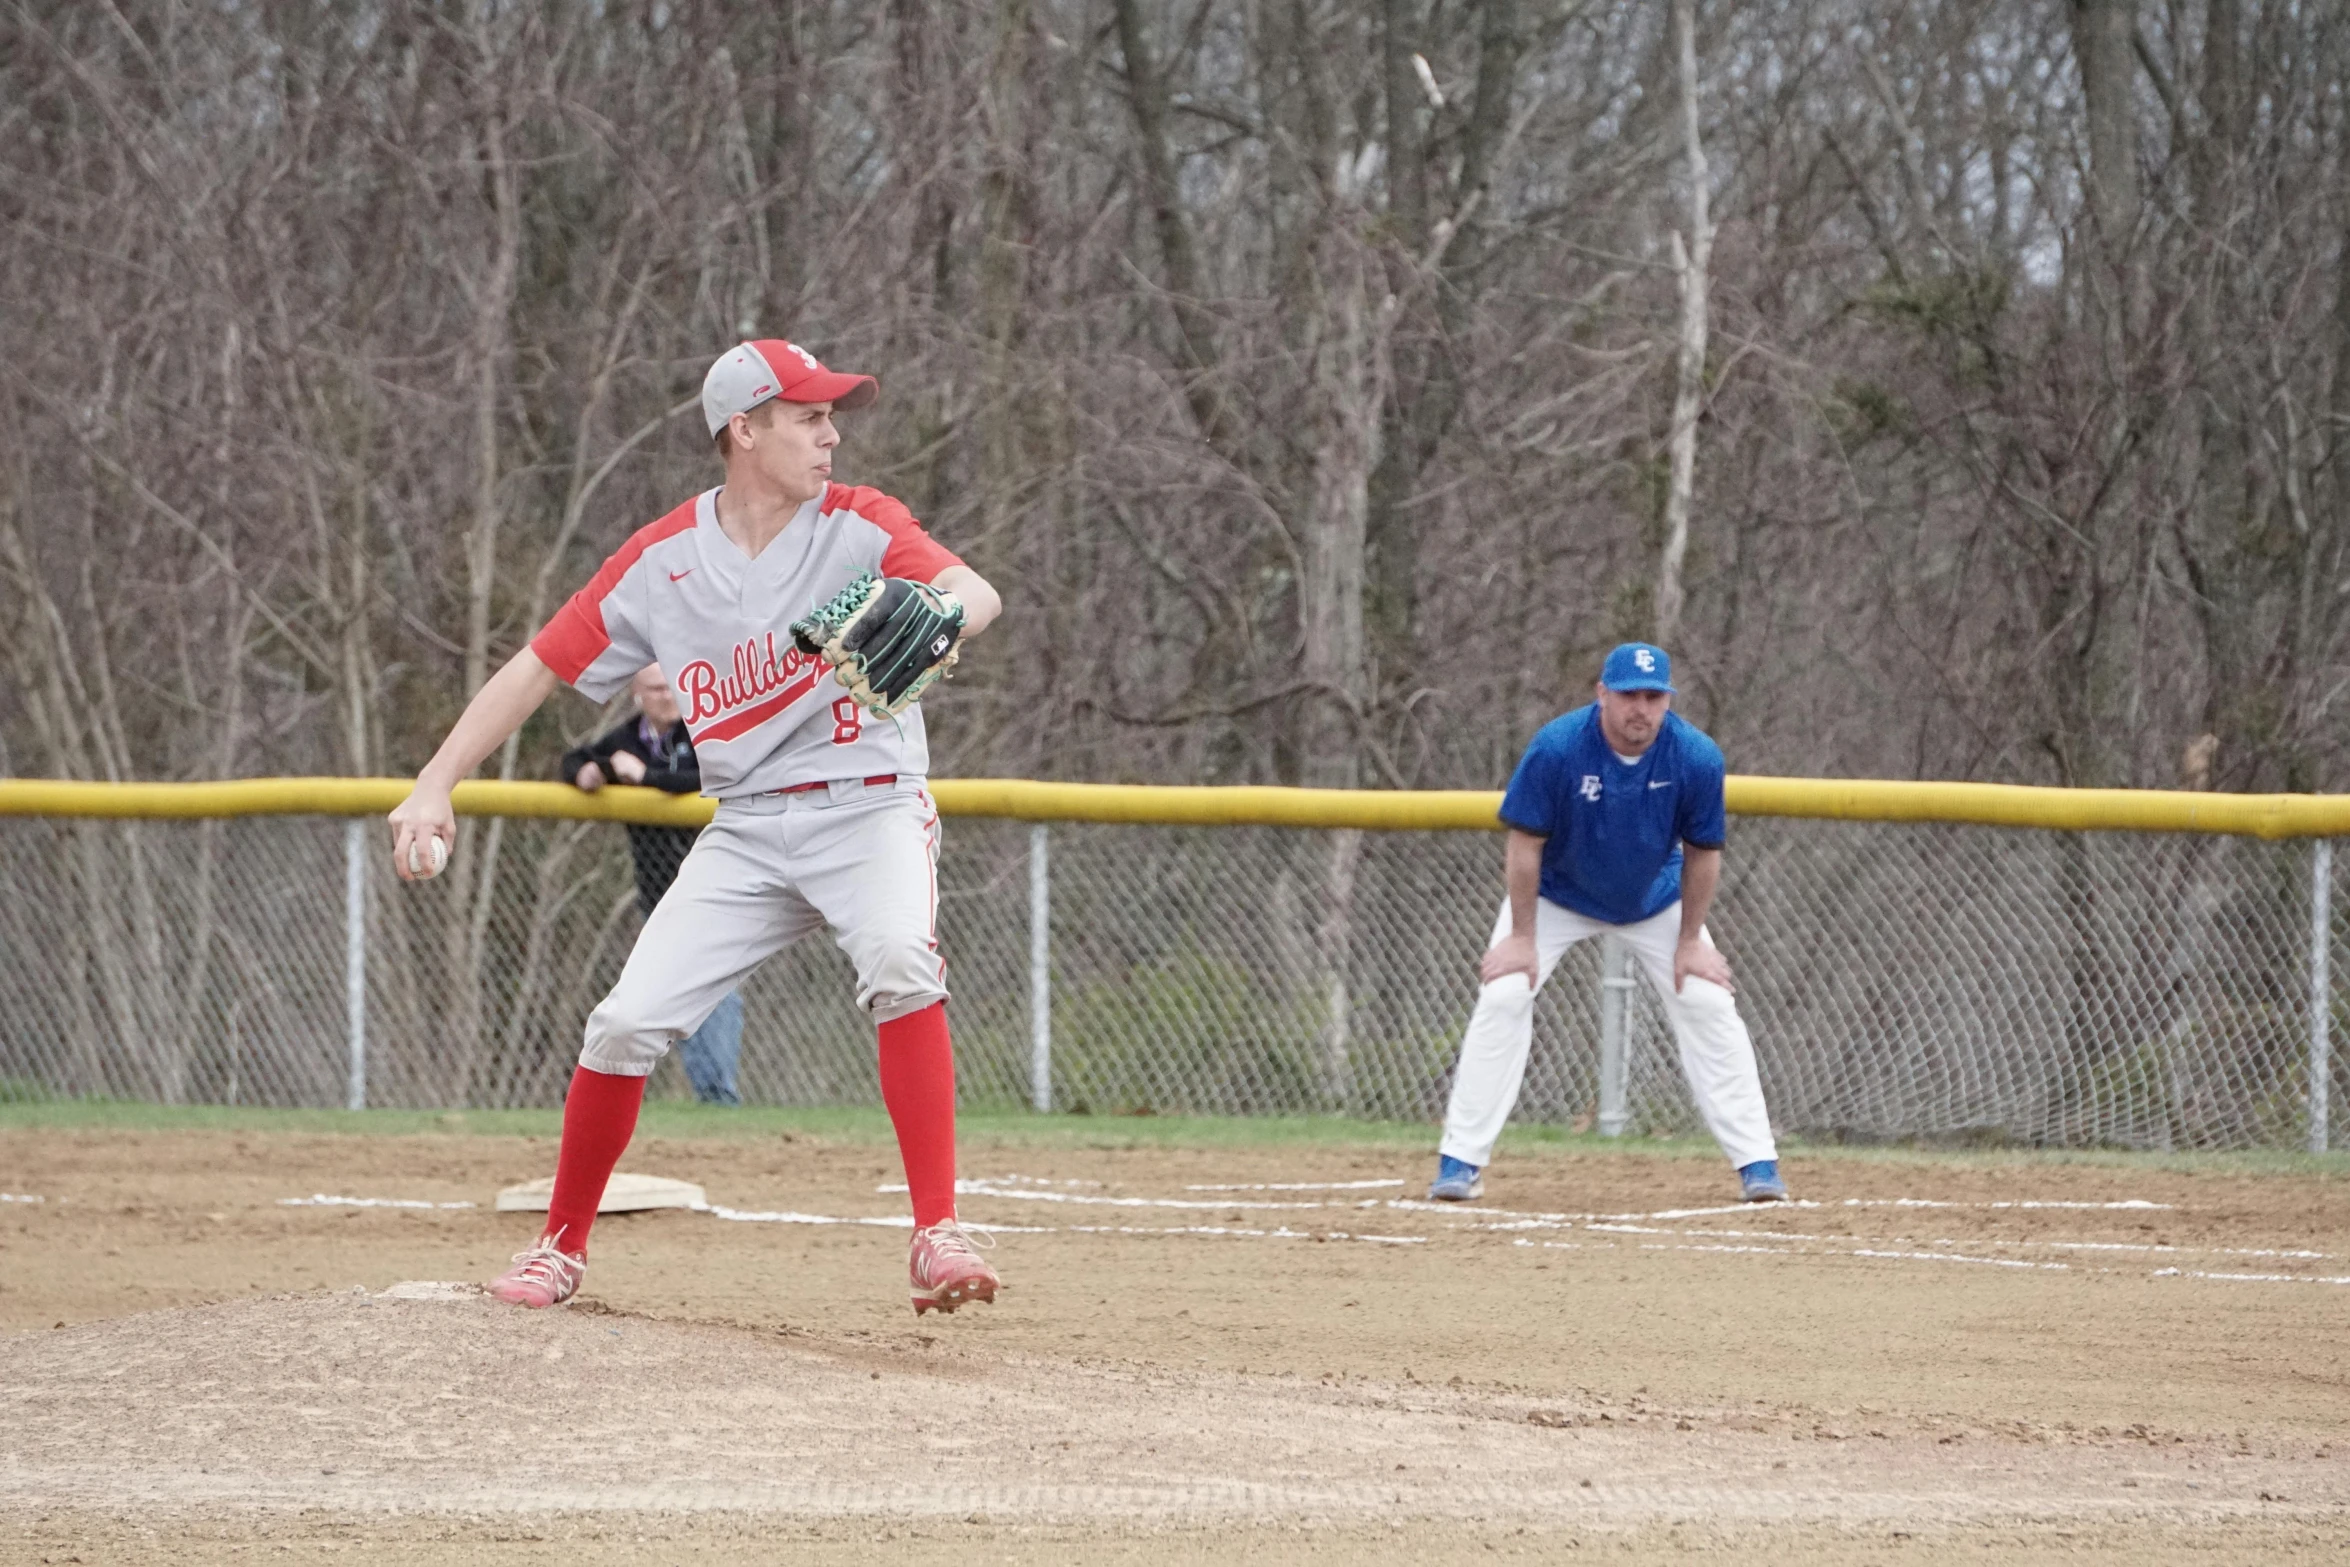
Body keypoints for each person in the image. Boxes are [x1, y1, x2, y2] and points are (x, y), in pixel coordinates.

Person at [387, 339, 1006, 1315]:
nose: (830, 432)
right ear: (742, 428)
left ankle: (937, 1231)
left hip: (869, 804)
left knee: (898, 956)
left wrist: (937, 609)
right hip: (750, 829)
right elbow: (540, 664)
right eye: (807, 415)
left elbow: (979, 592)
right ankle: (558, 1246)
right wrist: (435, 782)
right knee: (625, 1022)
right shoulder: (662, 561)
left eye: (830, 414)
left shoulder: (860, 523)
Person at [1428, 643, 1788, 1205]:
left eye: (1653, 696)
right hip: (1556, 895)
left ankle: (1758, 1165)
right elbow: (1525, 844)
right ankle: (1460, 1162)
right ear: (1602, 694)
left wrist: (1690, 940)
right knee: (1502, 995)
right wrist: (1522, 938)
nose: (1640, 708)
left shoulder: (1694, 756)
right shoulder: (1558, 747)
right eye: (1627, 695)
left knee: (1708, 1001)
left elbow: (1703, 851)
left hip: (1654, 897)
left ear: (1667, 700)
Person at [562, 663, 745, 1107]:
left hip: (717, 889)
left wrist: (646, 778)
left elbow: (712, 778)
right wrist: (586, 771)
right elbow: (576, 759)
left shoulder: (703, 733)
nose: (665, 696)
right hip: (658, 894)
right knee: (662, 998)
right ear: (636, 695)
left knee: (715, 995)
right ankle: (700, 1097)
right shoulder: (629, 738)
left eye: (670, 687)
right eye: (654, 689)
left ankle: (719, 1097)